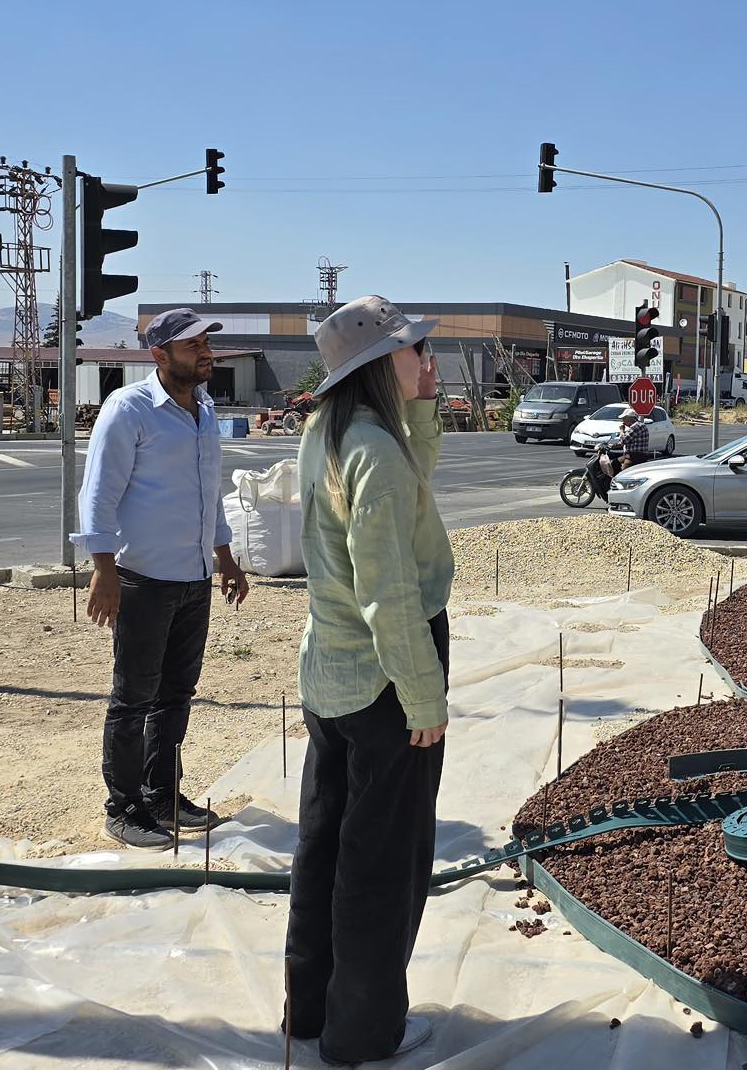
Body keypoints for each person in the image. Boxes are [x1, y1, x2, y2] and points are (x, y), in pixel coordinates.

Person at [285, 296, 452, 1065]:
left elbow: (410, 486)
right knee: (383, 862)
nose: (425, 360)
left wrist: (419, 409)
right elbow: (391, 593)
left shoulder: (330, 432)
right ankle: (362, 1033)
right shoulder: (376, 454)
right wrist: (424, 697)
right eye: (414, 349)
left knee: (324, 845)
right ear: (382, 362)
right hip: (388, 674)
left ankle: (310, 1012)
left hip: (331, 667)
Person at [73, 307, 251, 851]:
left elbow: (209, 494)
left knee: (176, 695)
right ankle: (123, 806)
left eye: (206, 344)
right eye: (193, 346)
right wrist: (103, 570)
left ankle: (163, 794)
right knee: (133, 699)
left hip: (194, 578)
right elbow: (98, 494)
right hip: (143, 578)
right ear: (159, 355)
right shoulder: (129, 409)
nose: (206, 353)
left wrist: (225, 558)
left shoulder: (204, 410)